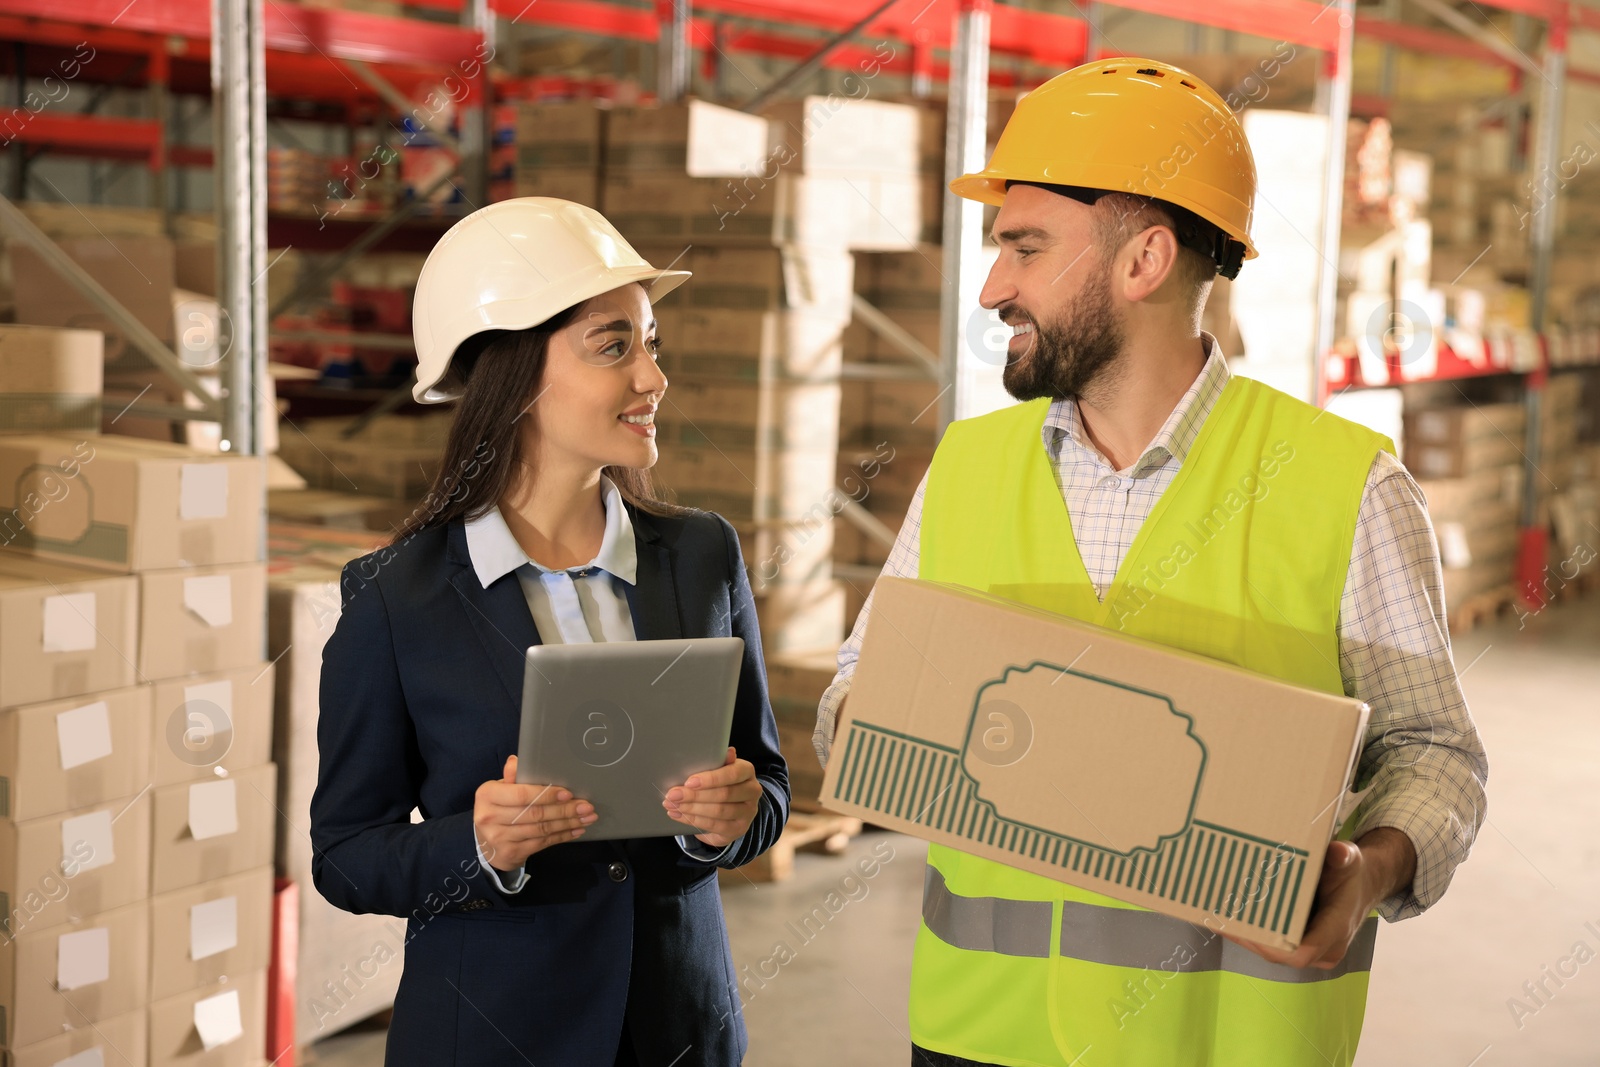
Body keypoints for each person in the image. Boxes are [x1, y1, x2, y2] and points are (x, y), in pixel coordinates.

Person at [812, 58, 1488, 1067]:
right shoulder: (967, 466)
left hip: (1224, 1045)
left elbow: (1435, 756)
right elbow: (853, 702)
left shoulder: (1344, 485)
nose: (994, 286)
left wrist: (1369, 869)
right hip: (976, 1034)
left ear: (1144, 261)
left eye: (1025, 247)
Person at [310, 198, 789, 1066]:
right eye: (615, 346)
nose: (653, 377)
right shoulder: (395, 599)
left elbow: (769, 787)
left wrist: (732, 817)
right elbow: (346, 855)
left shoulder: (701, 555)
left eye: (652, 344)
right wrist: (478, 845)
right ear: (517, 374)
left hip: (678, 1031)